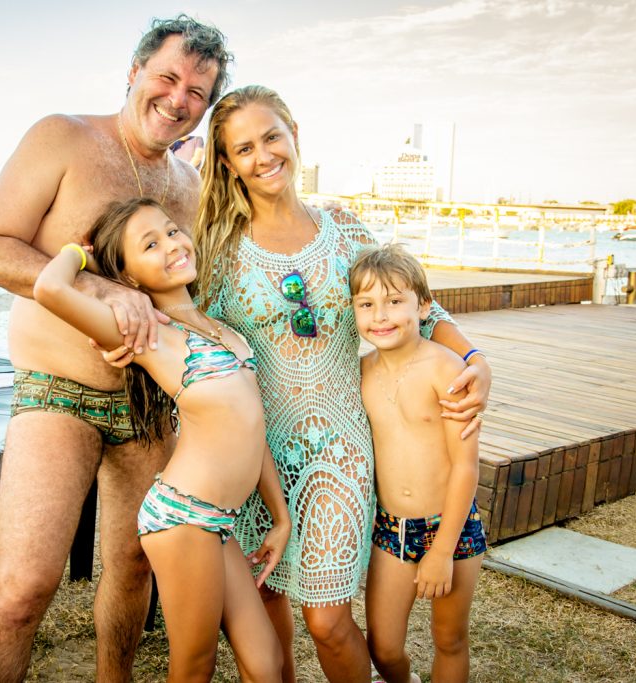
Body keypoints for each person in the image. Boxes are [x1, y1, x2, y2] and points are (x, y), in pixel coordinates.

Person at [187, 85, 491, 683]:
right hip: (252, 453)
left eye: (272, 136)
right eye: (243, 147)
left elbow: (420, 307)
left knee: (326, 620)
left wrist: (475, 357)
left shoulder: (345, 230)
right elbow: (183, 325)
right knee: (265, 616)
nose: (263, 155)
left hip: (340, 448)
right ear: (227, 163)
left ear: (294, 134)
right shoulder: (217, 251)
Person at [0, 16, 233, 682]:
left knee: (137, 564)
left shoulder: (189, 189)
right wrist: (100, 288)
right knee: (23, 586)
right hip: (58, 392)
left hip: (148, 404)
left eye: (197, 91)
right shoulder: (63, 137)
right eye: (167, 77)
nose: (177, 98)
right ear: (134, 72)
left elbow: (188, 296)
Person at [34, 198, 289, 682]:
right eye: (150, 244)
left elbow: (253, 428)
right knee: (195, 666)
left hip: (219, 521)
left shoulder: (219, 327)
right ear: (129, 277)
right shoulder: (148, 334)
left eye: (172, 231)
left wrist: (280, 516)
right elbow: (49, 288)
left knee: (266, 662)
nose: (173, 244)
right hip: (183, 518)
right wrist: (83, 256)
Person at [351, 243, 485, 683]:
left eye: (395, 301)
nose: (381, 316)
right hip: (391, 529)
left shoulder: (446, 370)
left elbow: (465, 466)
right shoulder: (362, 372)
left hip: (452, 526)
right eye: (367, 304)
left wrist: (443, 550)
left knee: (449, 639)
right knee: (384, 648)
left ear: (424, 305)